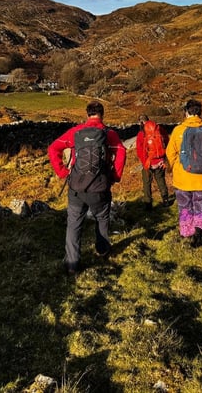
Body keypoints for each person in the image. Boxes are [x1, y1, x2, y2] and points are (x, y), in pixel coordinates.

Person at [48, 101, 126, 275]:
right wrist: (115, 177)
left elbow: (53, 149)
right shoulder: (109, 133)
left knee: (74, 224)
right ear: (102, 115)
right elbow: (121, 152)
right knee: (102, 219)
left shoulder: (75, 132)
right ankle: (103, 251)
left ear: (87, 114)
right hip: (99, 187)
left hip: (76, 187)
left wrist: (62, 172)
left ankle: (72, 264)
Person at [165, 99, 202, 247]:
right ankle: (199, 231)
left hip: (183, 178)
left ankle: (186, 232)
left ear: (186, 112)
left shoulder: (178, 131)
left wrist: (171, 169)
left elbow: (170, 154)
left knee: (185, 206)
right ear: (200, 112)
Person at [135, 114, 171, 210]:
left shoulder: (141, 133)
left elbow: (140, 150)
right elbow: (167, 142)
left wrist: (144, 162)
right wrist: (164, 158)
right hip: (160, 160)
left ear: (141, 122)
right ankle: (165, 200)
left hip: (148, 162)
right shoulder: (159, 129)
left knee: (147, 182)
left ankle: (148, 204)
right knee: (160, 179)